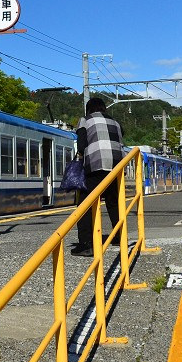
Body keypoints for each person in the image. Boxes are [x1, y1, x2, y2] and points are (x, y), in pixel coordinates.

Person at [72, 96, 125, 256]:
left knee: (85, 204)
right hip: (117, 166)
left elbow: (81, 145)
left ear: (89, 109)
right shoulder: (116, 123)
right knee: (114, 203)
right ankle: (118, 237)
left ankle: (86, 244)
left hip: (96, 165)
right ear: (104, 108)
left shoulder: (85, 120)